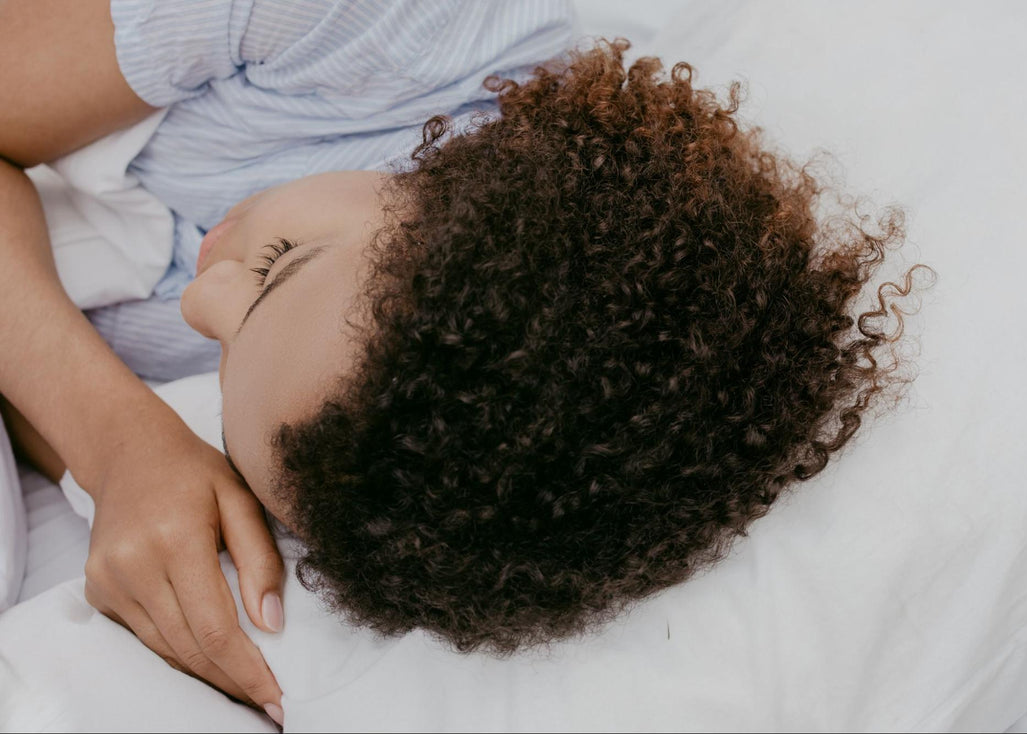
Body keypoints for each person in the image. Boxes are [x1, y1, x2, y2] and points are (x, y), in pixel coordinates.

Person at [0, 0, 927, 725]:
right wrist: (118, 435)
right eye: (280, 266)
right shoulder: (372, 29)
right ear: (447, 181)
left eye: (223, 364)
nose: (204, 303)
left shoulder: (348, 444)